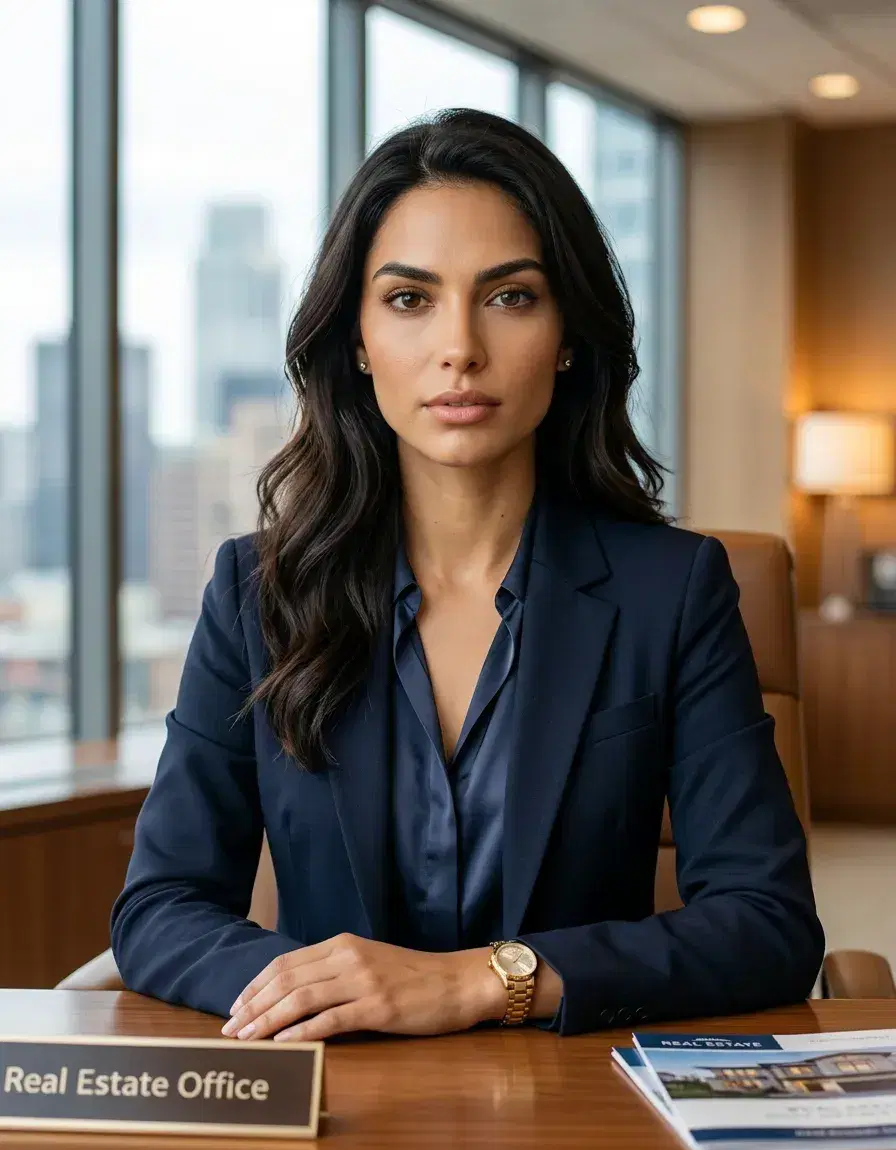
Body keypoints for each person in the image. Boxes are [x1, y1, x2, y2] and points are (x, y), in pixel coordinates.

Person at [111, 108, 824, 1041]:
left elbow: (767, 923)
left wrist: (486, 980)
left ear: (568, 333)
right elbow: (160, 905)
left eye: (510, 296)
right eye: (410, 299)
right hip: (339, 1100)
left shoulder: (673, 589)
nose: (460, 349)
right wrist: (331, 988)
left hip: (573, 1116)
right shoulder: (257, 592)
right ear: (357, 340)